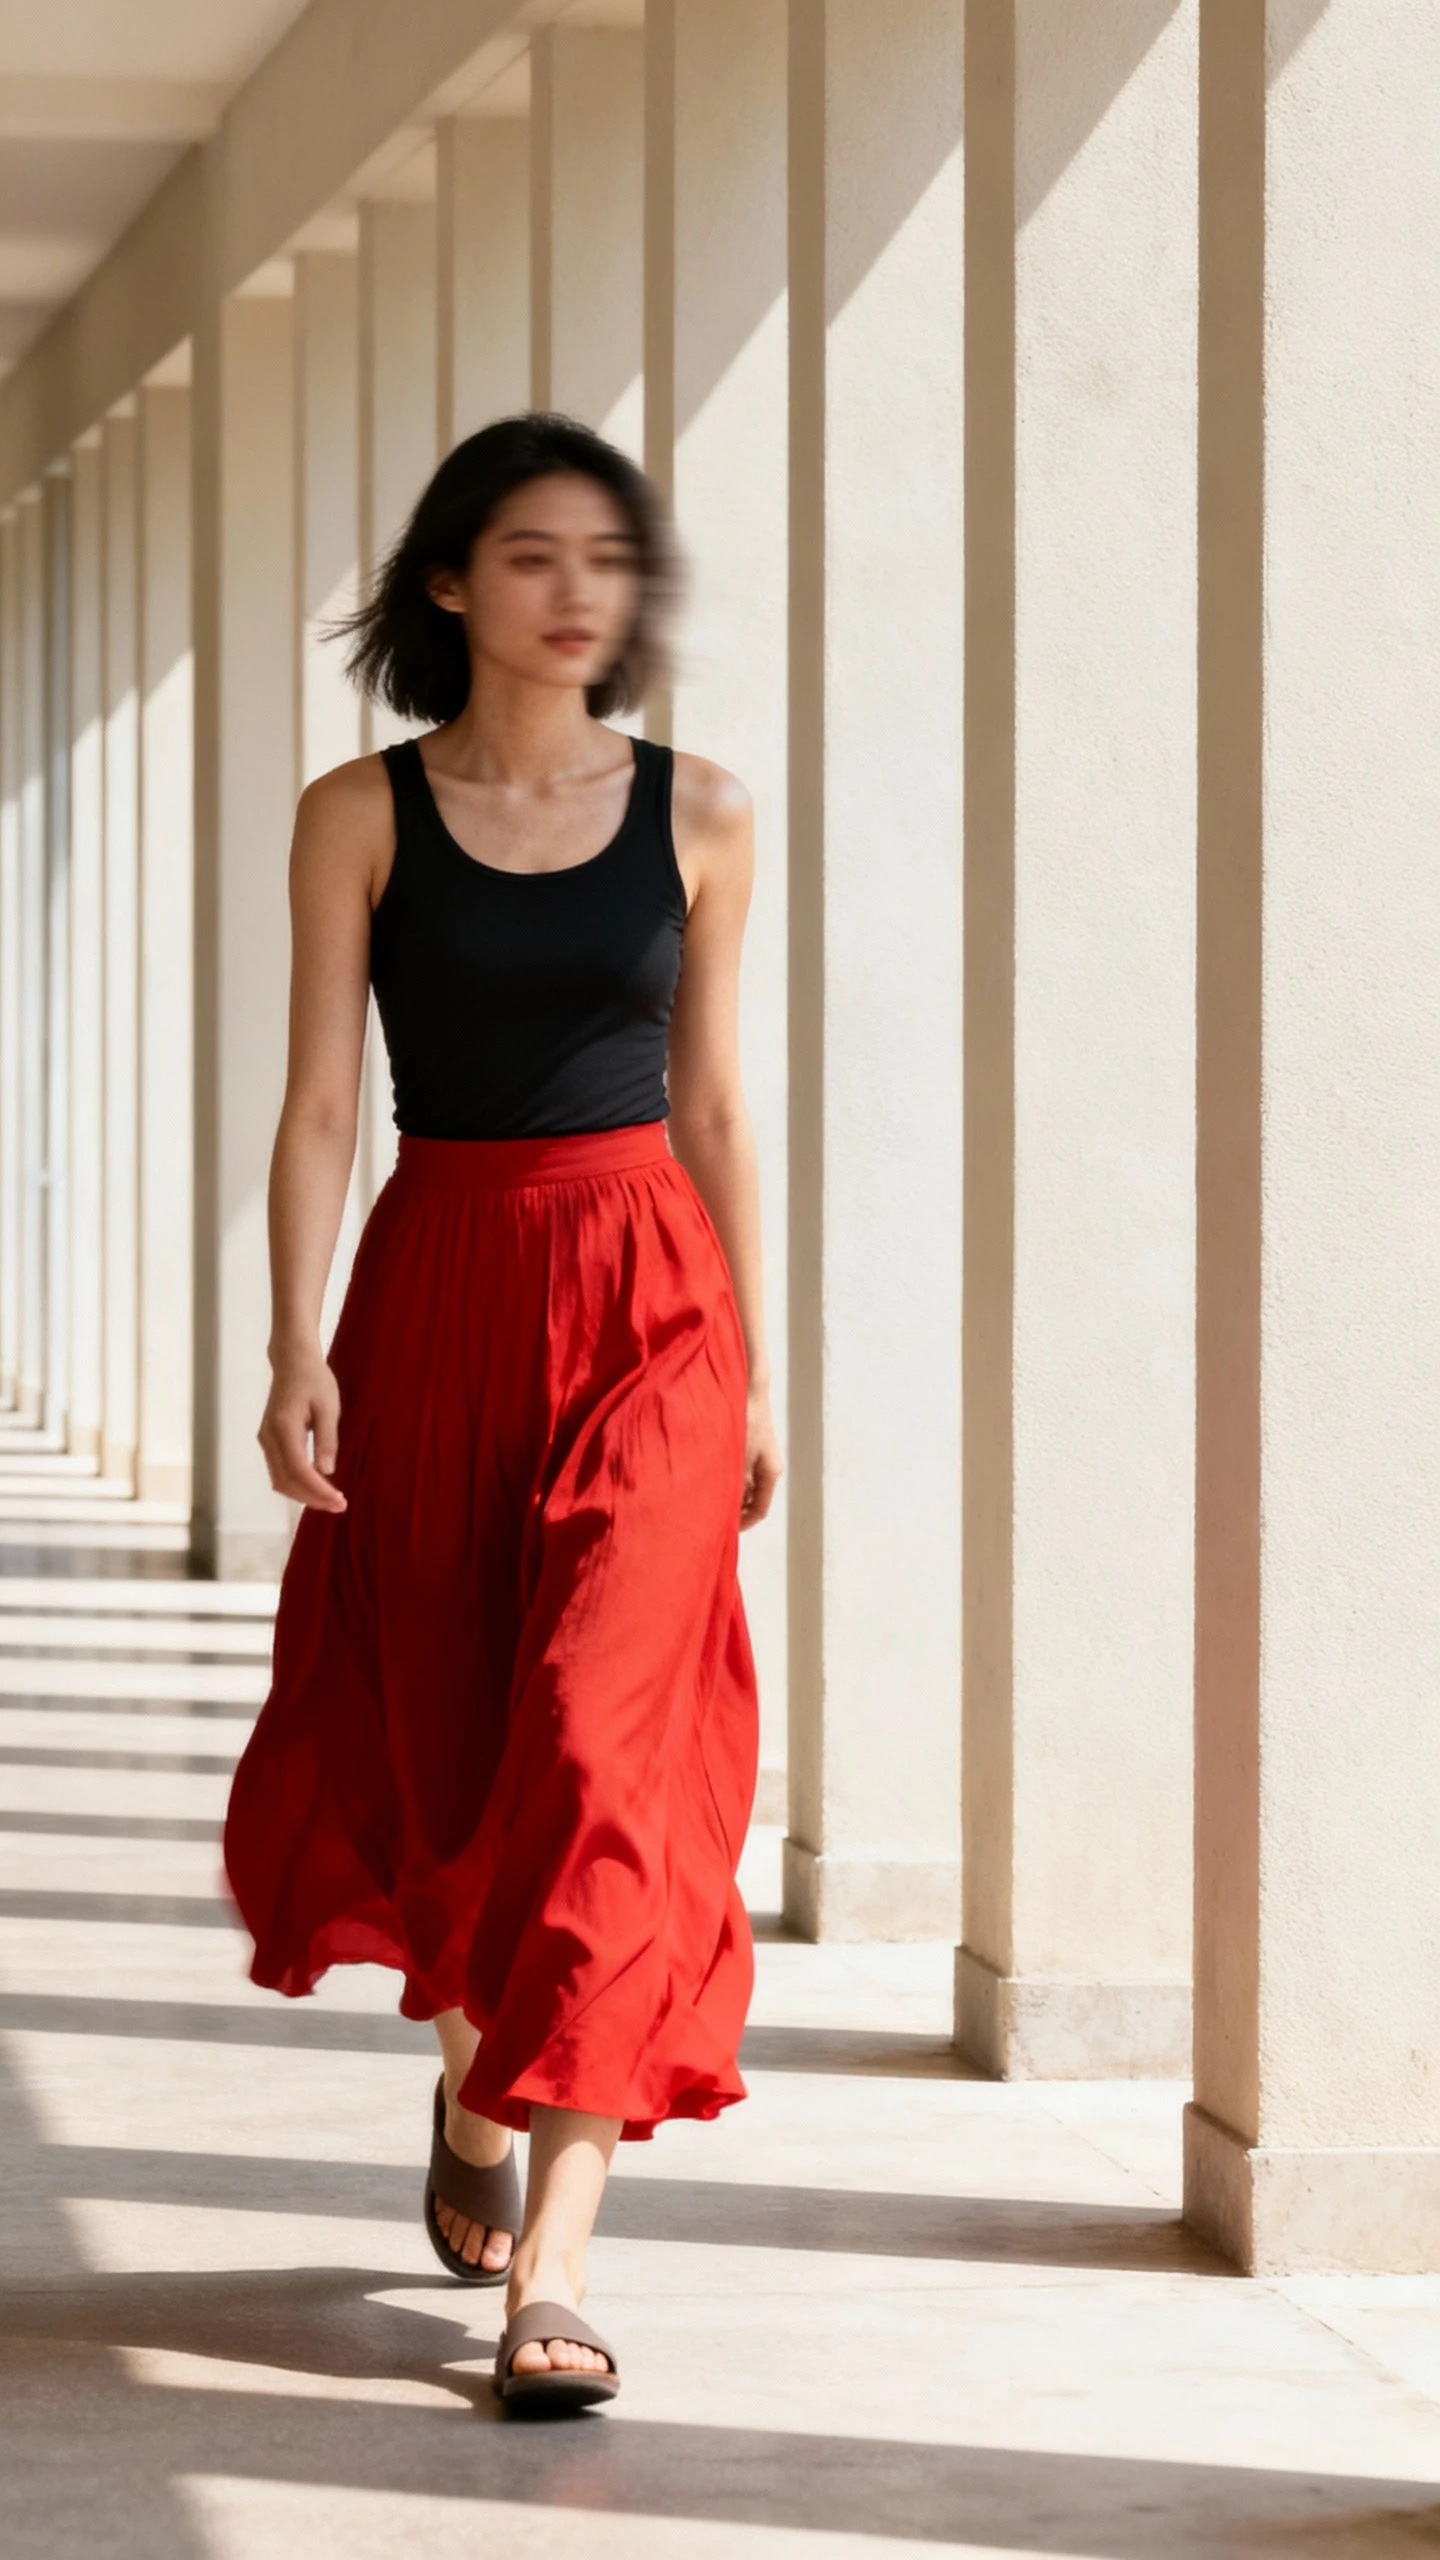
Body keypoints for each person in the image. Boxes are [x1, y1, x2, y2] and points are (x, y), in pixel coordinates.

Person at [222, 413, 781, 2414]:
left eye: (606, 560)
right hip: (440, 1287)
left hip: (646, 1299)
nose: (579, 591)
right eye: (534, 555)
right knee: (460, 1756)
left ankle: (553, 2264)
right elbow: (310, 1103)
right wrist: (296, 1342)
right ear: (450, 582)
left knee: (604, 1755)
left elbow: (710, 1104)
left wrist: (761, 1359)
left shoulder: (704, 811)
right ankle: (474, 2072)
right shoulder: (355, 811)